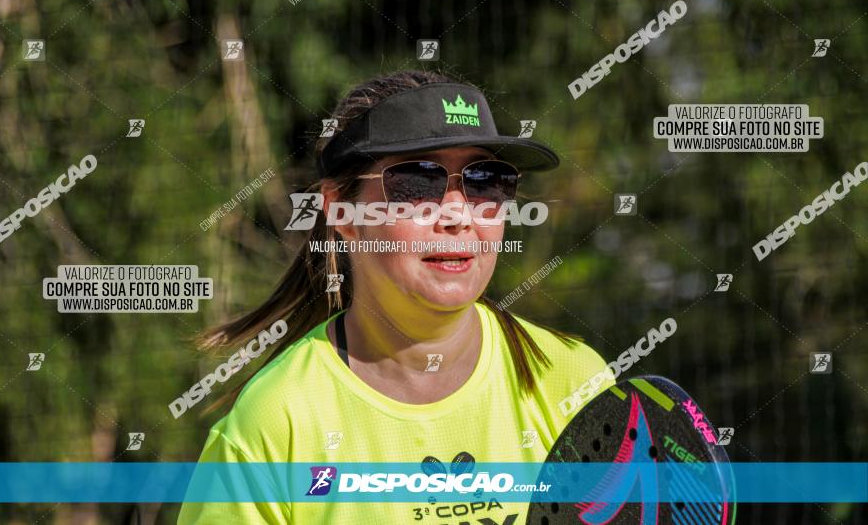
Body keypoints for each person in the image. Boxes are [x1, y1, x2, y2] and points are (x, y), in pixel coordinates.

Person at [178, 70, 610, 524]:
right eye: (418, 182)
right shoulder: (276, 419)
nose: (458, 215)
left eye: (486, 180)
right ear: (341, 214)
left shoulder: (575, 382)